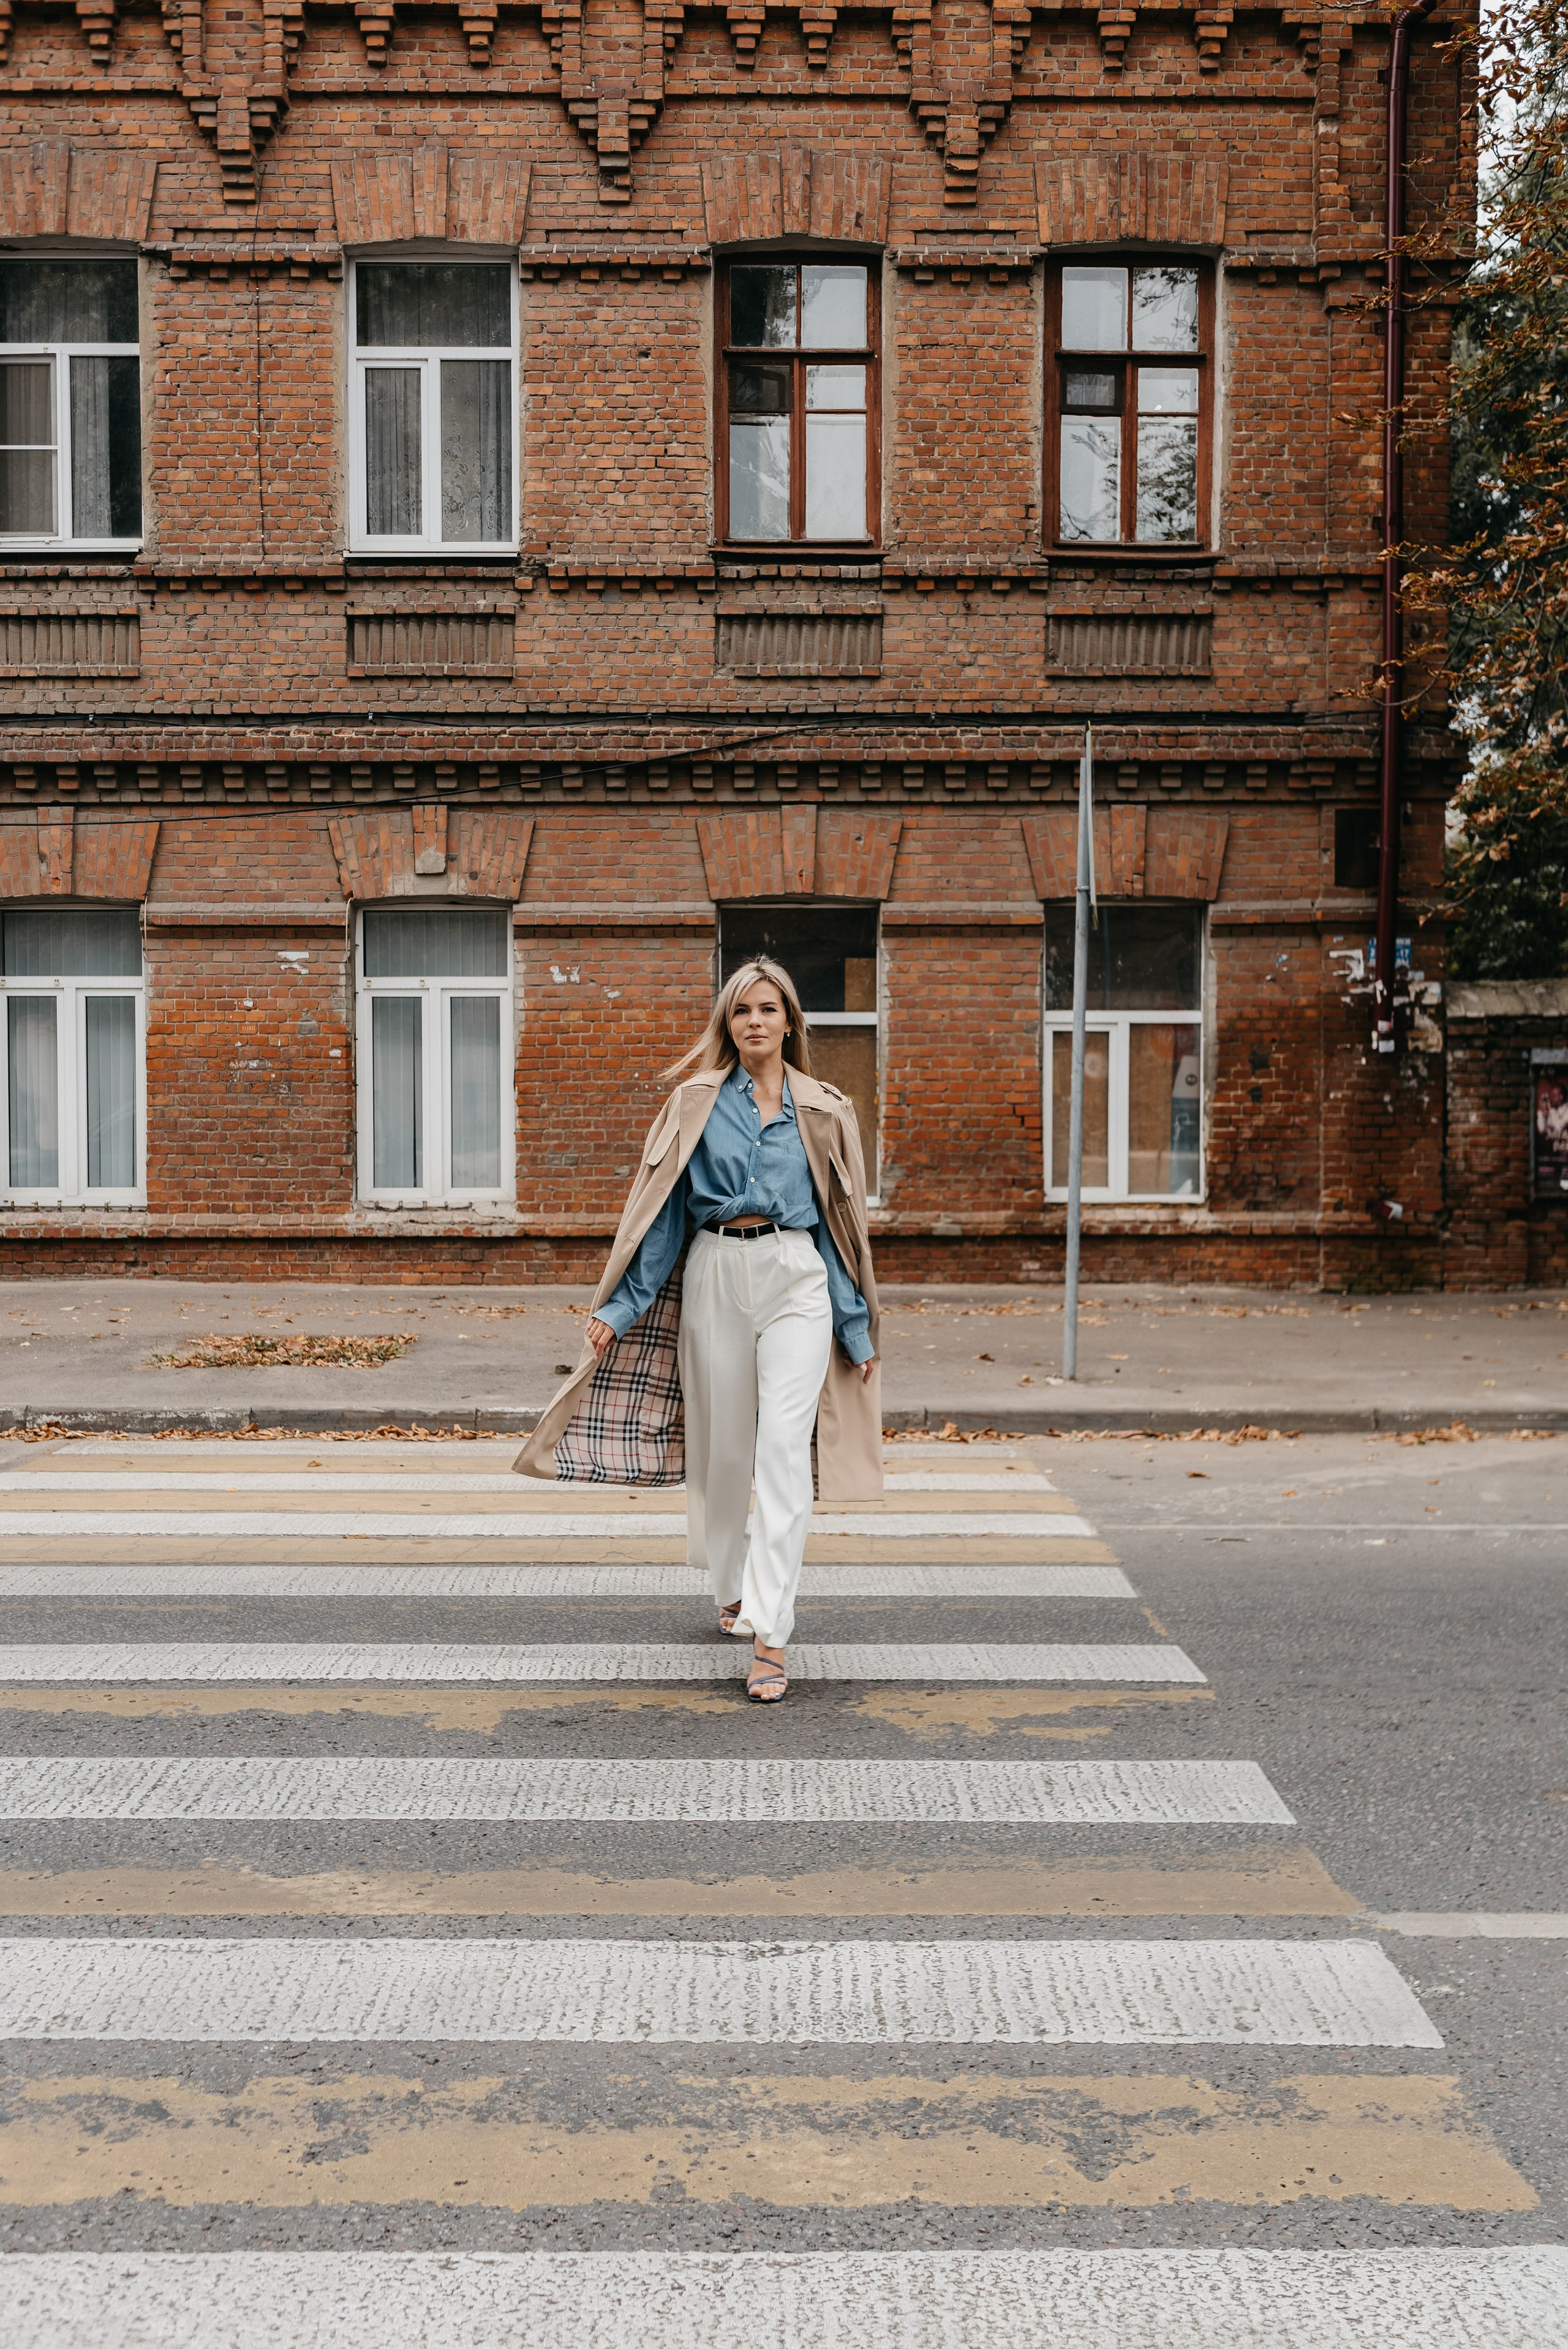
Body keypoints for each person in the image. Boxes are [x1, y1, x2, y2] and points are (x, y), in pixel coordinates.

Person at [515, 956, 881, 1703]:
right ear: (728, 1023)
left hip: (796, 1277)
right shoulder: (694, 1103)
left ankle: (771, 1633)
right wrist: (619, 1308)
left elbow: (839, 1227)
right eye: (742, 1010)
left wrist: (855, 1325)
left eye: (768, 1009)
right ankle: (730, 1582)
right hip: (716, 1270)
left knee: (783, 1451)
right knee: (724, 1450)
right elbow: (665, 1215)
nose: (755, 1021)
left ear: (790, 1022)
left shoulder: (825, 1108)